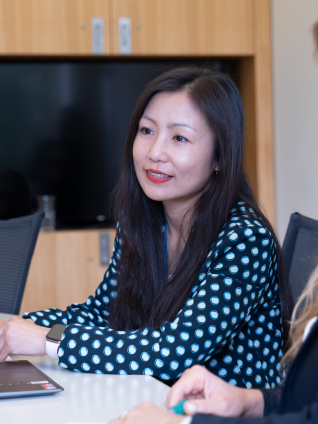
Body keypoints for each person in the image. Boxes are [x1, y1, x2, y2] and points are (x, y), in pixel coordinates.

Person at [0, 67, 291, 388]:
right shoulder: (144, 223)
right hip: (152, 398)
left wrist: (48, 341)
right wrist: (19, 327)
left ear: (220, 157)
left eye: (179, 138)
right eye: (147, 131)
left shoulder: (245, 240)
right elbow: (103, 312)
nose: (154, 153)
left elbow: (175, 351)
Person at [108, 264, 318, 424]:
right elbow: (306, 405)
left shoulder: (245, 238)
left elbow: (171, 351)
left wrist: (181, 423)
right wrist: (247, 401)